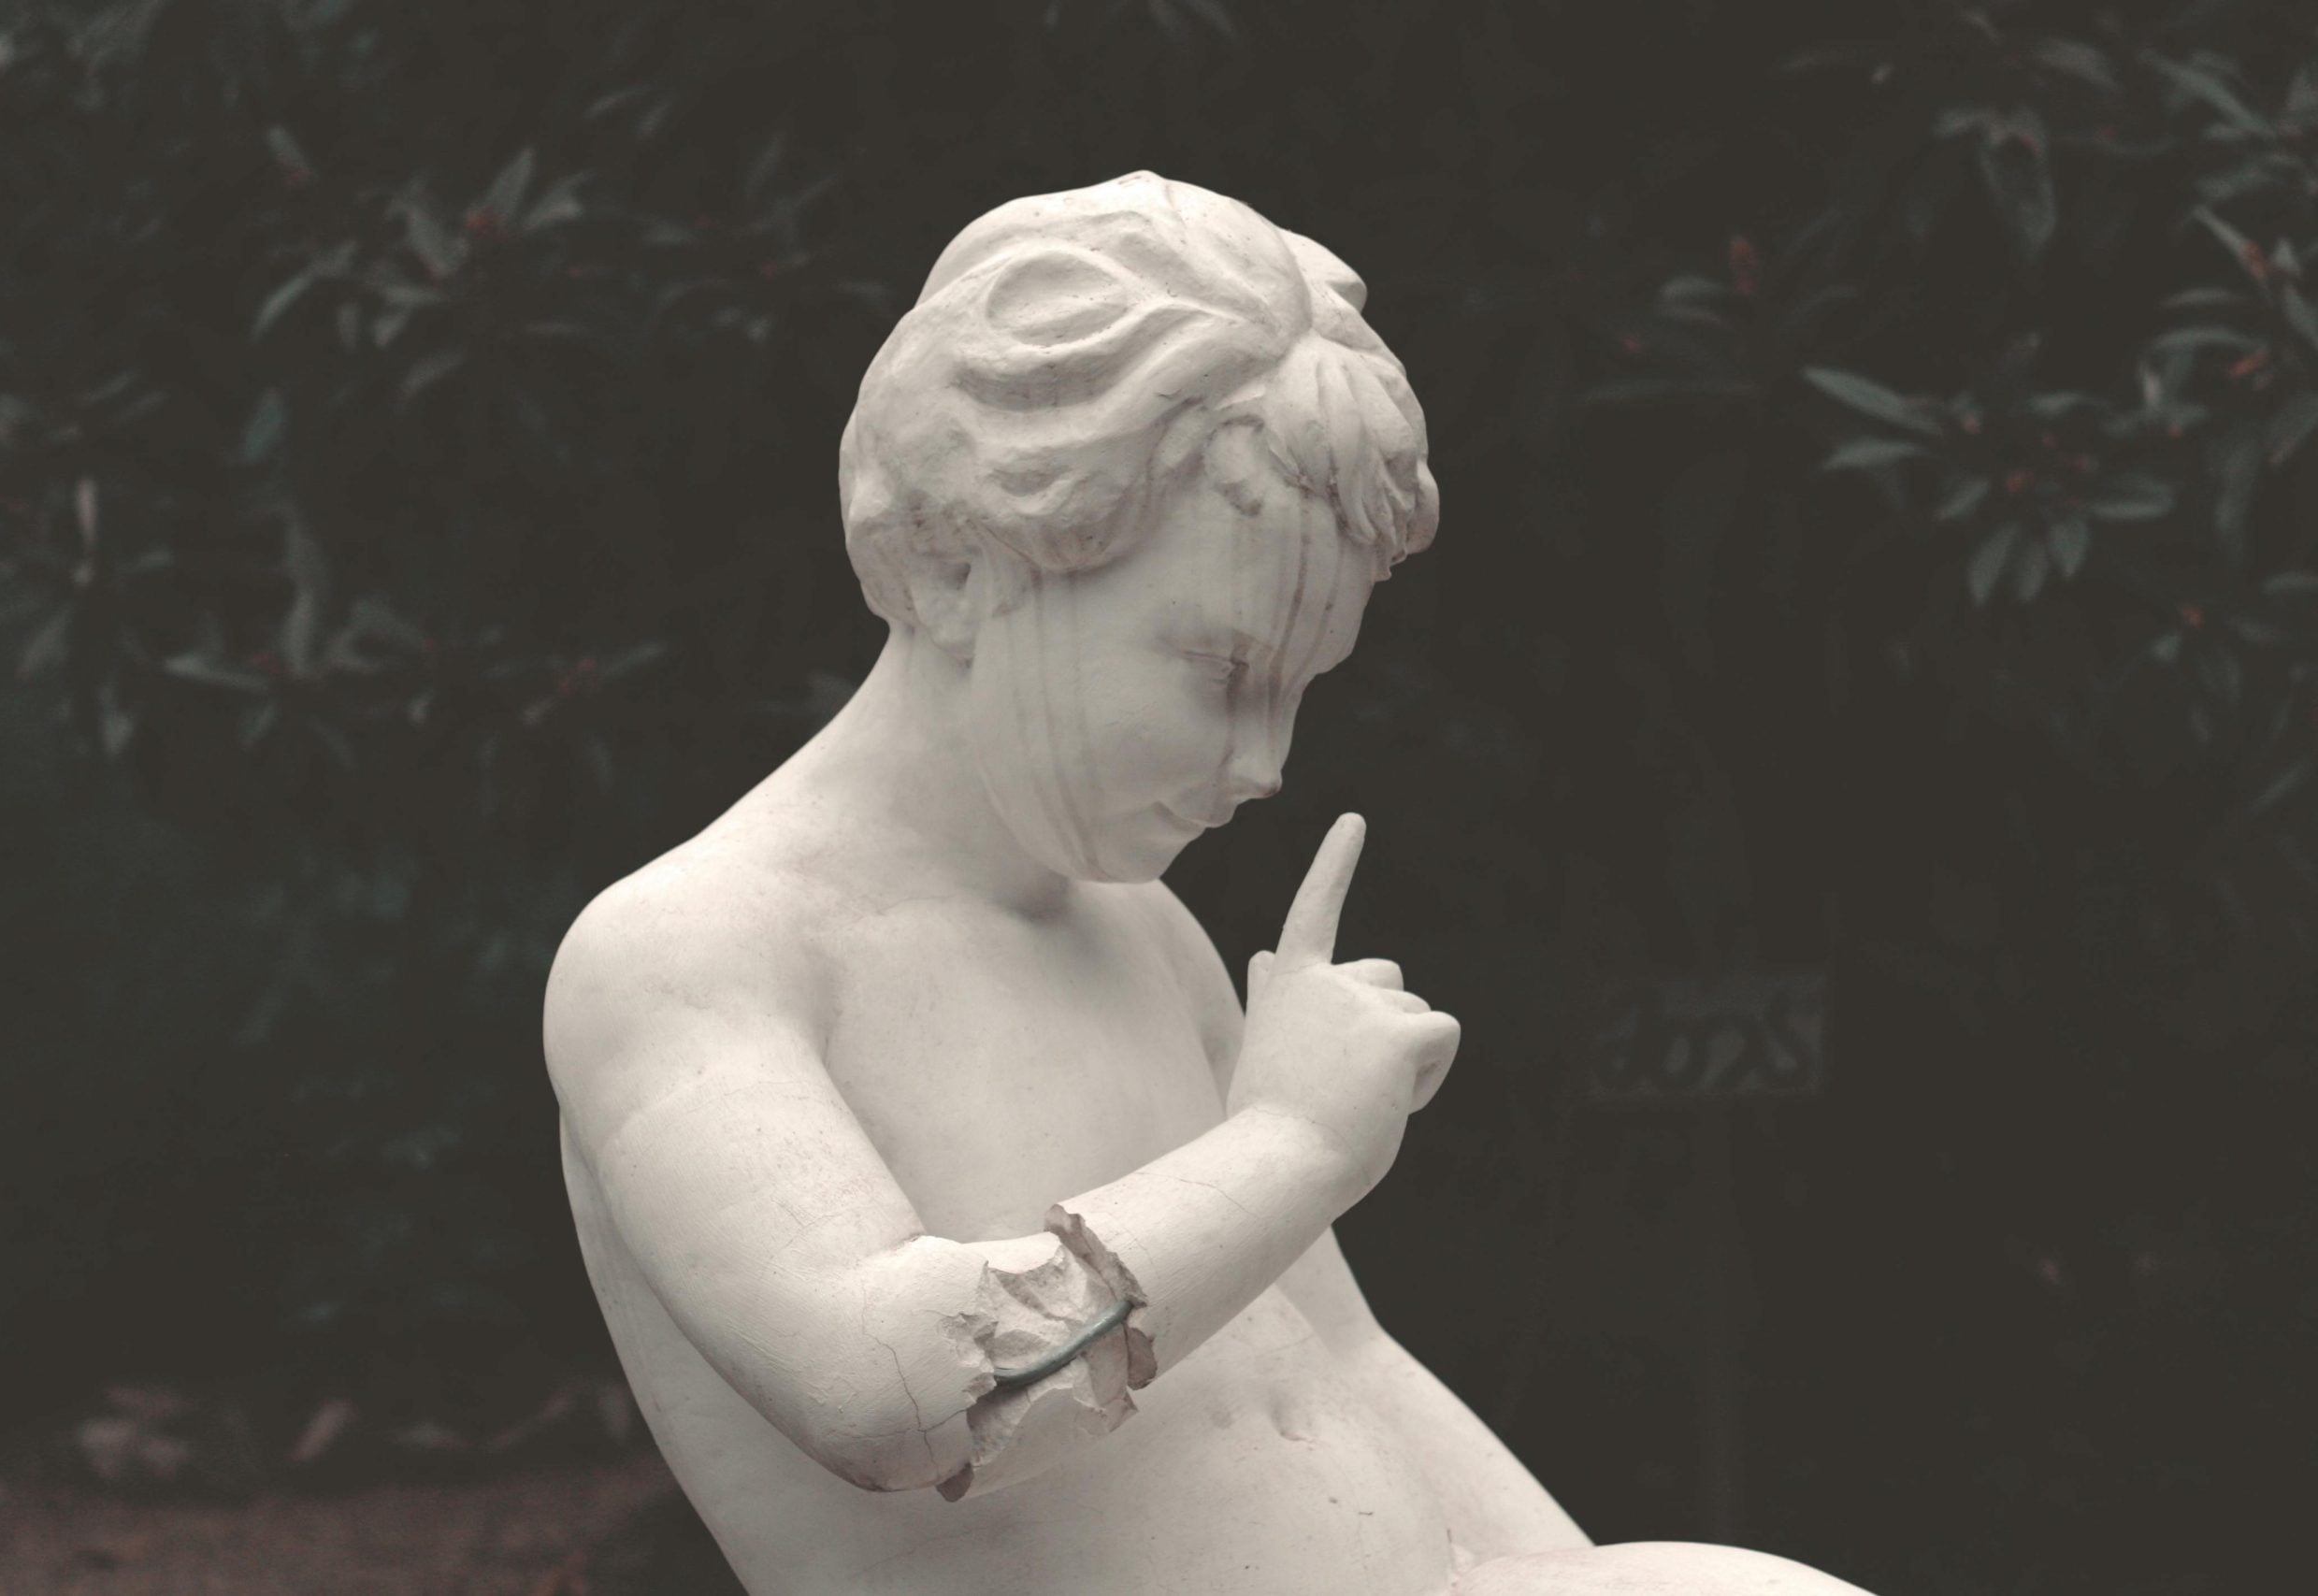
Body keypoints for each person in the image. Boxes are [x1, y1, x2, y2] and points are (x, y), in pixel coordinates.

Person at [543, 172, 1868, 1596]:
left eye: (1298, 691)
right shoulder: (693, 952)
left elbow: (1348, 1360)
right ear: (960, 565)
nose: (1265, 763)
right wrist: (1293, 1138)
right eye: (1224, 672)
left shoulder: (1142, 935)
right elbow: (894, 1391)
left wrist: (1565, 1576)